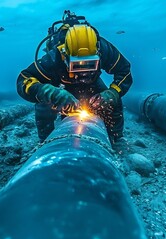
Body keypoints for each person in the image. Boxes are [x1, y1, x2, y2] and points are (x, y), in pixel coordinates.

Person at [16, 11, 132, 145]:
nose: (83, 74)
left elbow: (124, 71)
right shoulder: (55, 57)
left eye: (90, 64)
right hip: (63, 85)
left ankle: (117, 139)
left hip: (93, 83)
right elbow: (23, 79)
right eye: (77, 66)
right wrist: (47, 91)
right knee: (44, 105)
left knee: (113, 100)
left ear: (98, 55)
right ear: (66, 57)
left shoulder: (104, 49)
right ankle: (45, 142)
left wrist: (112, 92)